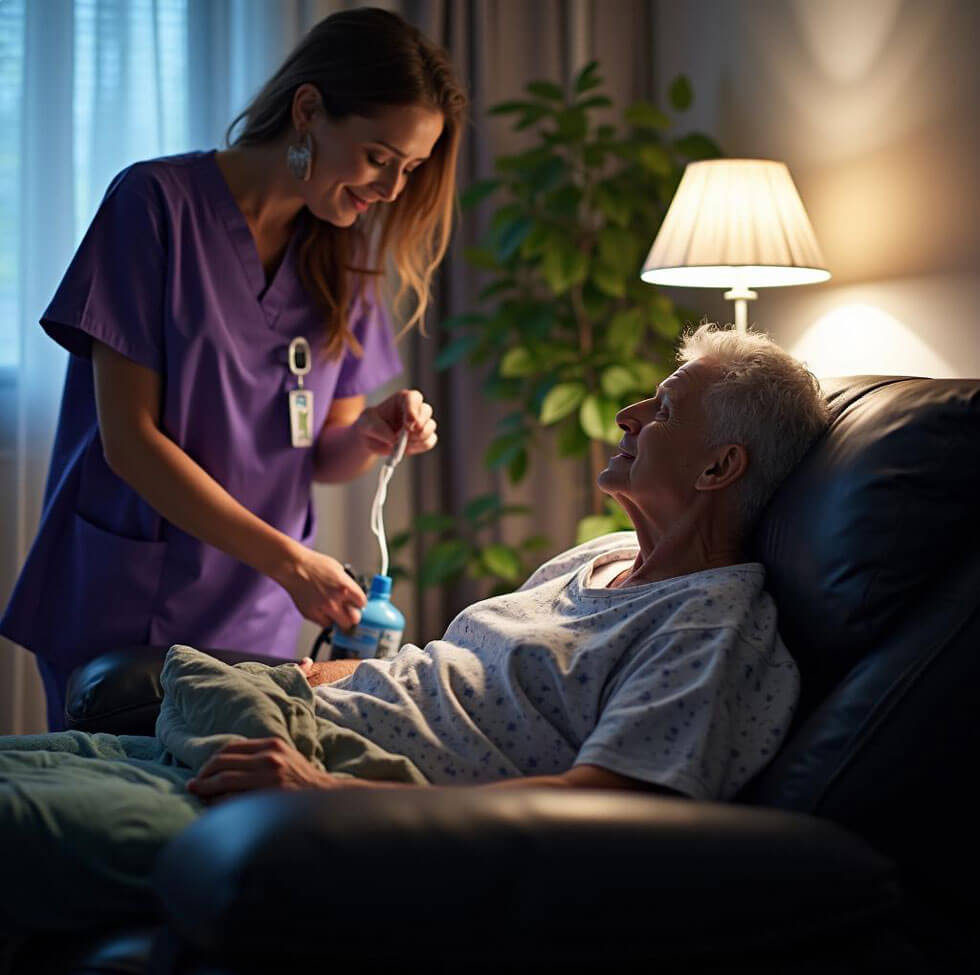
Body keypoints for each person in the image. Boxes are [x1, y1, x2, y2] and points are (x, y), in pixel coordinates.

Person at [0, 8, 468, 731]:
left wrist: (373, 433)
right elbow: (129, 441)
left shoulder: (342, 257)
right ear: (309, 109)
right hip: (128, 598)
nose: (393, 188)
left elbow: (325, 455)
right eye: (379, 156)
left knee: (223, 822)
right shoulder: (154, 208)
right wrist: (290, 563)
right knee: (115, 823)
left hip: (252, 612)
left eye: (408, 169)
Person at [185, 324, 832, 805]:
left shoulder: (705, 631)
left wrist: (320, 791)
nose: (625, 416)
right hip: (287, 721)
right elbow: (457, 677)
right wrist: (310, 679)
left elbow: (610, 805)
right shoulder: (600, 558)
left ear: (719, 466)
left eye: (662, 411)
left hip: (332, 794)